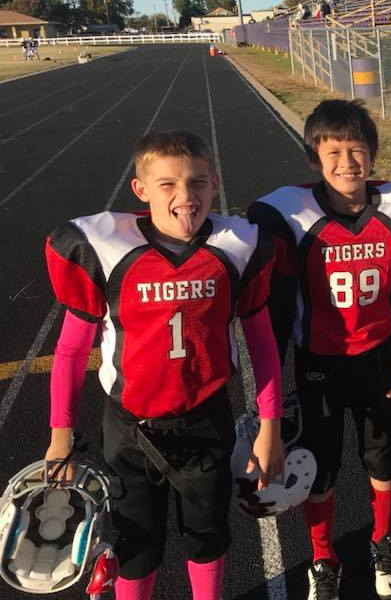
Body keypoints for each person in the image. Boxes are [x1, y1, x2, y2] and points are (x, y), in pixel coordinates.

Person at [44, 130, 284, 600]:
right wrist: (60, 436)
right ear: (141, 189)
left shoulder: (237, 247)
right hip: (129, 427)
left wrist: (270, 425)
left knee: (207, 537)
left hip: (204, 420)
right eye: (168, 184)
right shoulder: (106, 249)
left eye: (197, 182)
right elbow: (70, 351)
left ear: (215, 183)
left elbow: (262, 341)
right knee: (136, 545)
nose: (185, 196)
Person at [248, 100, 391, 600]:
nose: (347, 162)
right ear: (314, 157)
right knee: (320, 466)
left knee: (383, 455)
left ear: (373, 154)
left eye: (357, 150)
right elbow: (278, 308)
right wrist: (270, 396)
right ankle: (323, 557)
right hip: (318, 364)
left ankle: (384, 539)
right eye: (333, 152)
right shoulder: (291, 216)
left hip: (378, 359)